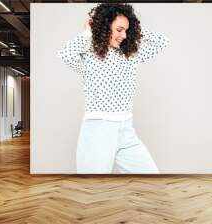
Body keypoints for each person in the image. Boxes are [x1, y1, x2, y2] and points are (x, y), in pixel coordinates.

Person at [58, 3, 169, 174]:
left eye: (126, 30)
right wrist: (88, 32)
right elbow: (65, 55)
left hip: (126, 130)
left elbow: (162, 41)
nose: (123, 35)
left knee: (151, 180)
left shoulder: (131, 55)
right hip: (98, 130)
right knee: (92, 191)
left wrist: (134, 31)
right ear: (104, 27)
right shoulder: (90, 55)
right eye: (119, 29)